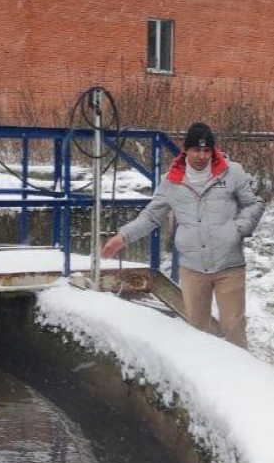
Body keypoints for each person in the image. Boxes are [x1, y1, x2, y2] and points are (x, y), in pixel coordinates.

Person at [102, 122, 264, 349]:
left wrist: (238, 229)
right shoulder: (172, 181)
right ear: (185, 150)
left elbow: (254, 204)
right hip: (192, 268)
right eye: (196, 150)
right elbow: (151, 217)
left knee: (233, 329)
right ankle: (202, 376)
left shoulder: (231, 172)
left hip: (229, 265)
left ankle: (241, 380)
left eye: (207, 150)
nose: (201, 156)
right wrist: (123, 237)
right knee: (197, 330)